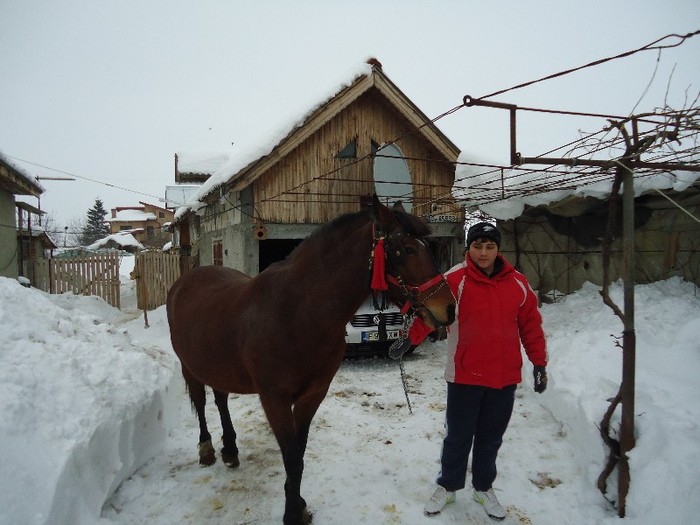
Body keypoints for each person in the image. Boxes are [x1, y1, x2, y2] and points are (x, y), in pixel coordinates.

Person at [390, 222, 548, 521]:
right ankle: (448, 486)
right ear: (468, 249)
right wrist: (408, 341)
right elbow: (431, 314)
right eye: (478, 246)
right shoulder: (454, 279)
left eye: (490, 246)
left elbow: (531, 327)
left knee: (491, 438)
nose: (484, 252)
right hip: (465, 376)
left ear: (497, 249)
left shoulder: (518, 284)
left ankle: (484, 486)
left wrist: (539, 364)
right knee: (458, 437)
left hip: (504, 378)